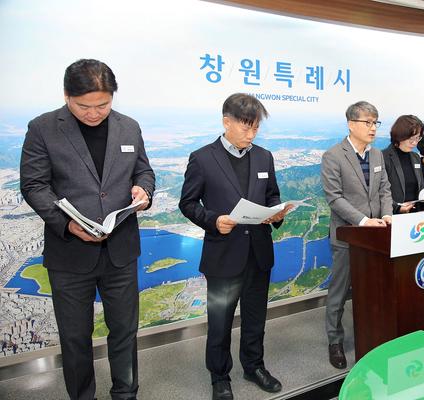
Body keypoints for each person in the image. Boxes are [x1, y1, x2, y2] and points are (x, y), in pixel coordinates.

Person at [20, 59, 155, 400]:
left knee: (124, 331)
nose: (94, 113)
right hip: (70, 252)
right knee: (75, 337)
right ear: (67, 96)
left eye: (103, 105)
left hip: (121, 250)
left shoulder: (129, 127)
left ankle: (126, 393)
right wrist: (67, 224)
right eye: (84, 106)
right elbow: (34, 185)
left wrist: (144, 190)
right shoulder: (43, 128)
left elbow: (144, 171)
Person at [179, 93, 290, 400]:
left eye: (256, 127)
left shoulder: (264, 157)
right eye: (245, 127)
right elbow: (188, 203)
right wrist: (213, 220)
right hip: (224, 253)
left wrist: (276, 211)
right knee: (220, 322)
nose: (251, 134)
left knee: (255, 318)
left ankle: (254, 366)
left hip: (258, 252)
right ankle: (219, 376)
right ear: (226, 122)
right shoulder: (202, 158)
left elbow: (271, 194)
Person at [321, 101, 394, 369]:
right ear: (351, 124)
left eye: (375, 122)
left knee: (374, 289)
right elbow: (334, 198)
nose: (373, 128)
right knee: (339, 292)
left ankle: (374, 335)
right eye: (368, 122)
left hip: (376, 238)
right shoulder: (333, 155)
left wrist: (387, 215)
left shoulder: (377, 155)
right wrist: (363, 221)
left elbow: (384, 190)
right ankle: (335, 341)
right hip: (348, 236)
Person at [382, 115, 424, 214]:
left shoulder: (416, 157)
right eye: (411, 138)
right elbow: (380, 192)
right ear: (400, 135)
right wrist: (397, 207)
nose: (414, 143)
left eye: (417, 138)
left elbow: (421, 187)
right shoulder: (383, 157)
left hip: (416, 213)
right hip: (393, 214)